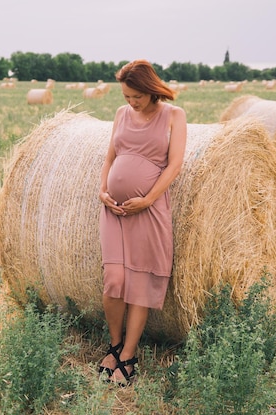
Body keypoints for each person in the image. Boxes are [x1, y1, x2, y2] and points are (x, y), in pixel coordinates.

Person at [97, 59, 187, 386]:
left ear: (151, 91)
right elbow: (110, 158)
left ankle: (128, 355)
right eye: (126, 97)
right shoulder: (121, 115)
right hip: (115, 211)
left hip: (147, 211)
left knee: (139, 285)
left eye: (136, 96)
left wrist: (147, 200)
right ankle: (114, 343)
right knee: (114, 280)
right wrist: (103, 190)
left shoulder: (173, 116)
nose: (131, 103)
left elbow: (174, 164)